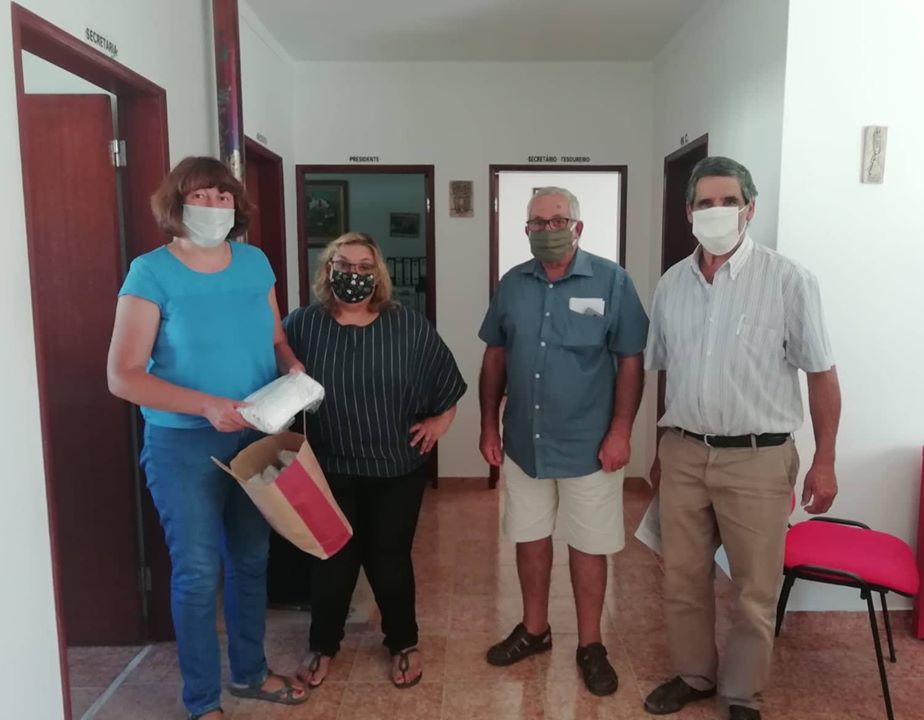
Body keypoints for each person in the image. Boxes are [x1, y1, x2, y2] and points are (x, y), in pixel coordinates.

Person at [106, 156, 307, 720]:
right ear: (176, 203)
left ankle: (250, 673)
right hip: (183, 445)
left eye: (223, 196)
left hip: (255, 437)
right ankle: (201, 702)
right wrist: (205, 405)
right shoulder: (150, 273)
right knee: (196, 574)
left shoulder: (255, 262)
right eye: (200, 195)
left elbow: (274, 340)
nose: (214, 206)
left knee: (251, 559)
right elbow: (123, 376)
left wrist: (292, 369)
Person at [642, 156, 841, 720]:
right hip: (683, 452)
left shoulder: (789, 280)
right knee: (682, 576)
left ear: (749, 209)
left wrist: (825, 461)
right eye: (704, 203)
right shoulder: (671, 285)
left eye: (728, 201)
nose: (717, 211)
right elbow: (667, 373)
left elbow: (821, 375)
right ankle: (694, 675)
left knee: (754, 588)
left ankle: (741, 694)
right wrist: (661, 448)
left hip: (758, 459)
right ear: (688, 213)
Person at [478, 187, 648, 696]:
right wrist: (488, 425)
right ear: (526, 229)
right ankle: (535, 630)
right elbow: (495, 357)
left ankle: (591, 644)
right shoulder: (512, 284)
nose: (547, 230)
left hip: (590, 446)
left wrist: (621, 431)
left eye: (557, 221)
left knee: (589, 545)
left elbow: (630, 360)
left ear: (578, 227)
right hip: (524, 444)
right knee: (529, 537)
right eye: (537, 222)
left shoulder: (613, 281)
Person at [285, 232, 467, 691]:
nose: (354, 274)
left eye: (365, 267)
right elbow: (275, 375)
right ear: (328, 270)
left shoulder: (407, 325)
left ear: (378, 273)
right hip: (329, 467)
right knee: (332, 560)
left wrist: (440, 422)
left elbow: (447, 380)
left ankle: (403, 642)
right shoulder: (303, 325)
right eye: (343, 264)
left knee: (389, 560)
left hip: (395, 466)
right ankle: (323, 645)